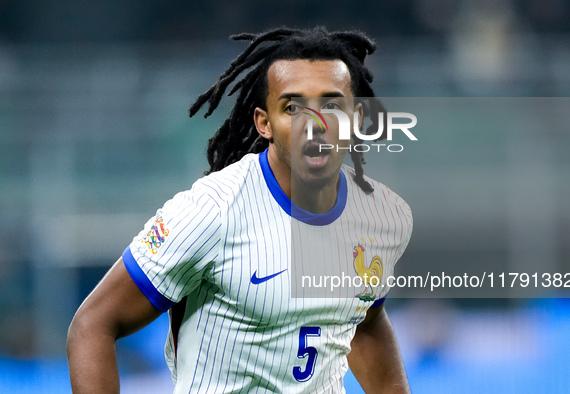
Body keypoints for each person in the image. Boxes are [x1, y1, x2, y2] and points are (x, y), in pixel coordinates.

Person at [67, 26, 413, 393]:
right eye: (294, 108)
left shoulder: (381, 215)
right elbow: (93, 325)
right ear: (264, 123)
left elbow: (366, 321)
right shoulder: (211, 211)